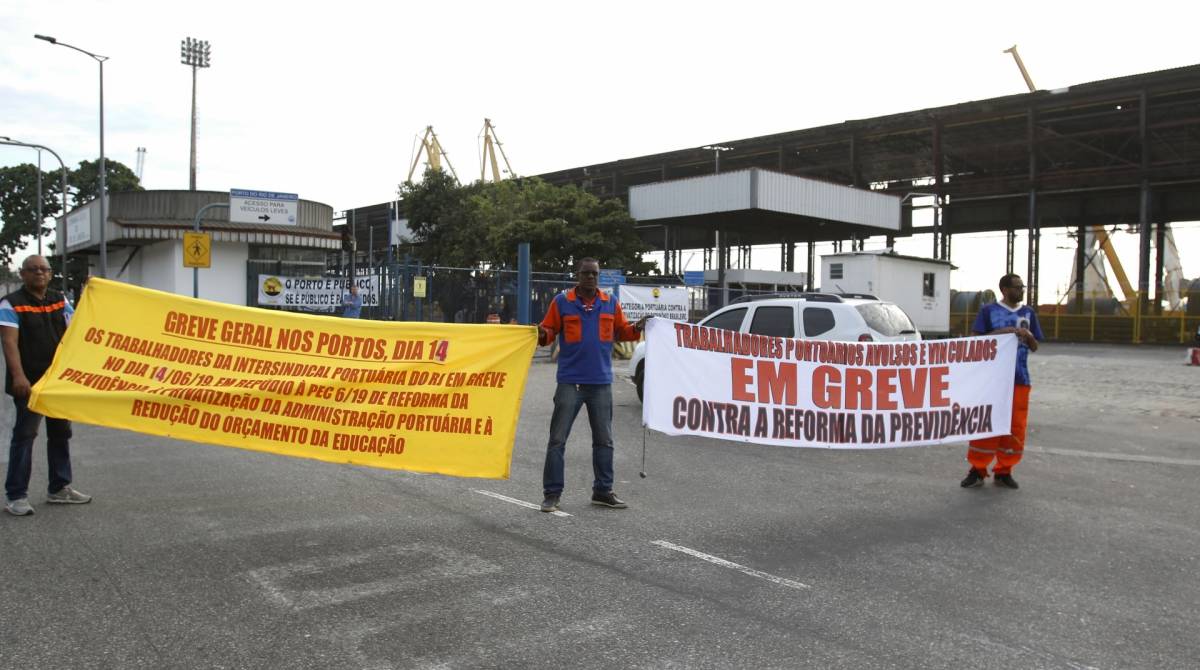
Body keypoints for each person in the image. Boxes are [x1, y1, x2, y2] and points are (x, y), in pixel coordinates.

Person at [538, 258, 647, 512]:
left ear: (598, 277)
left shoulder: (610, 303)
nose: (590, 278)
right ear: (578, 275)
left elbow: (623, 333)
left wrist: (638, 327)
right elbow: (548, 332)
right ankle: (552, 494)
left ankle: (603, 491)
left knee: (604, 440)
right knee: (557, 440)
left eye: (594, 274)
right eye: (586, 273)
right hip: (570, 383)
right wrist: (539, 333)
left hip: (600, 383)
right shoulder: (562, 302)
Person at [2, 255, 91, 516]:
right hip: (30, 383)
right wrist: (18, 377)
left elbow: (77, 328)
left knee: (61, 433)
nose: (39, 273)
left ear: (51, 274)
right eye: (33, 269)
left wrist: (91, 295)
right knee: (25, 436)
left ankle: (59, 487)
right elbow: (9, 343)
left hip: (57, 382)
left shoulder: (58, 299)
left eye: (44, 269)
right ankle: (16, 495)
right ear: (23, 274)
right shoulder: (11, 304)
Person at [961, 273, 1044, 490]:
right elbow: (975, 341)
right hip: (992, 381)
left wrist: (1029, 337)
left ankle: (1005, 470)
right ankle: (977, 469)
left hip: (1019, 378)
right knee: (986, 423)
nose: (1021, 290)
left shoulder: (1028, 313)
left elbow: (1035, 347)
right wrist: (1001, 333)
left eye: (1022, 286)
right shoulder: (989, 311)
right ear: (1005, 290)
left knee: (1015, 427)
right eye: (1017, 287)